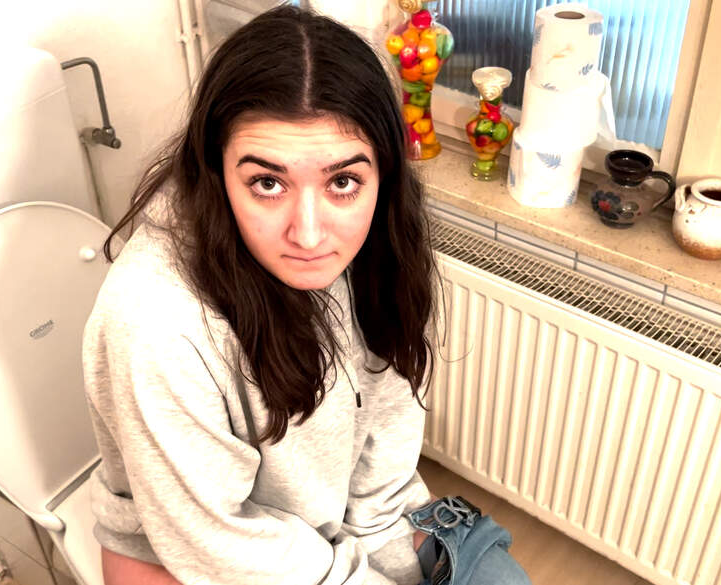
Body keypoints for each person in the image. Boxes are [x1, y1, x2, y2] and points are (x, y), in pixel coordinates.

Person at [83, 5, 531, 585]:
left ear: (383, 176)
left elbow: (384, 438)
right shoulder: (156, 322)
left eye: (343, 181)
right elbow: (217, 537)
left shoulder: (380, 243)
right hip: (195, 550)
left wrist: (383, 547)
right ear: (215, 172)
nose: (311, 235)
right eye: (267, 183)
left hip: (340, 526)